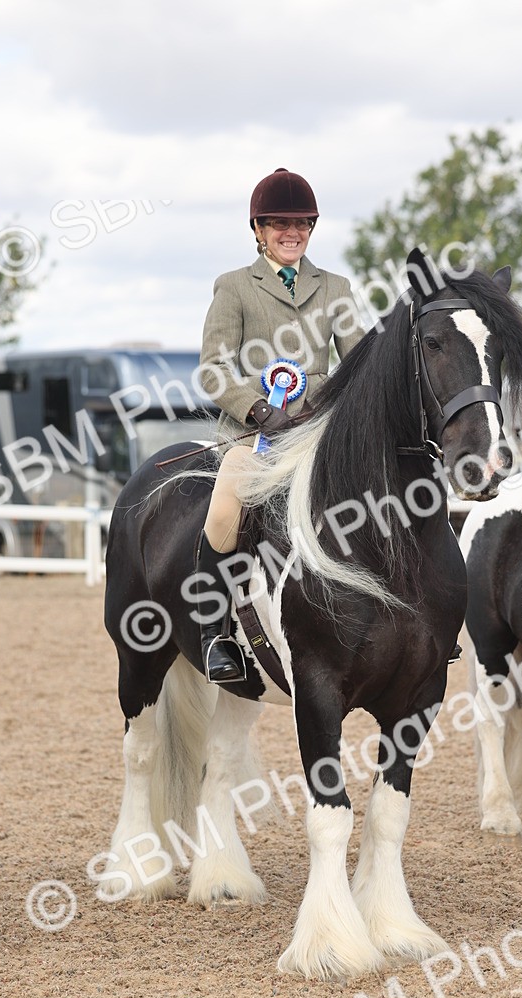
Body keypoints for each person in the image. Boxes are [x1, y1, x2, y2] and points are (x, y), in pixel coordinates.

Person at [196, 168, 364, 683]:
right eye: (279, 224)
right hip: (257, 433)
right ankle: (215, 631)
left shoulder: (335, 287)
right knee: (229, 502)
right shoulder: (234, 287)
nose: (291, 233)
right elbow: (212, 369)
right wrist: (259, 408)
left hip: (319, 430)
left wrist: (334, 404)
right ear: (259, 230)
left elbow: (359, 363)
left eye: (301, 224)